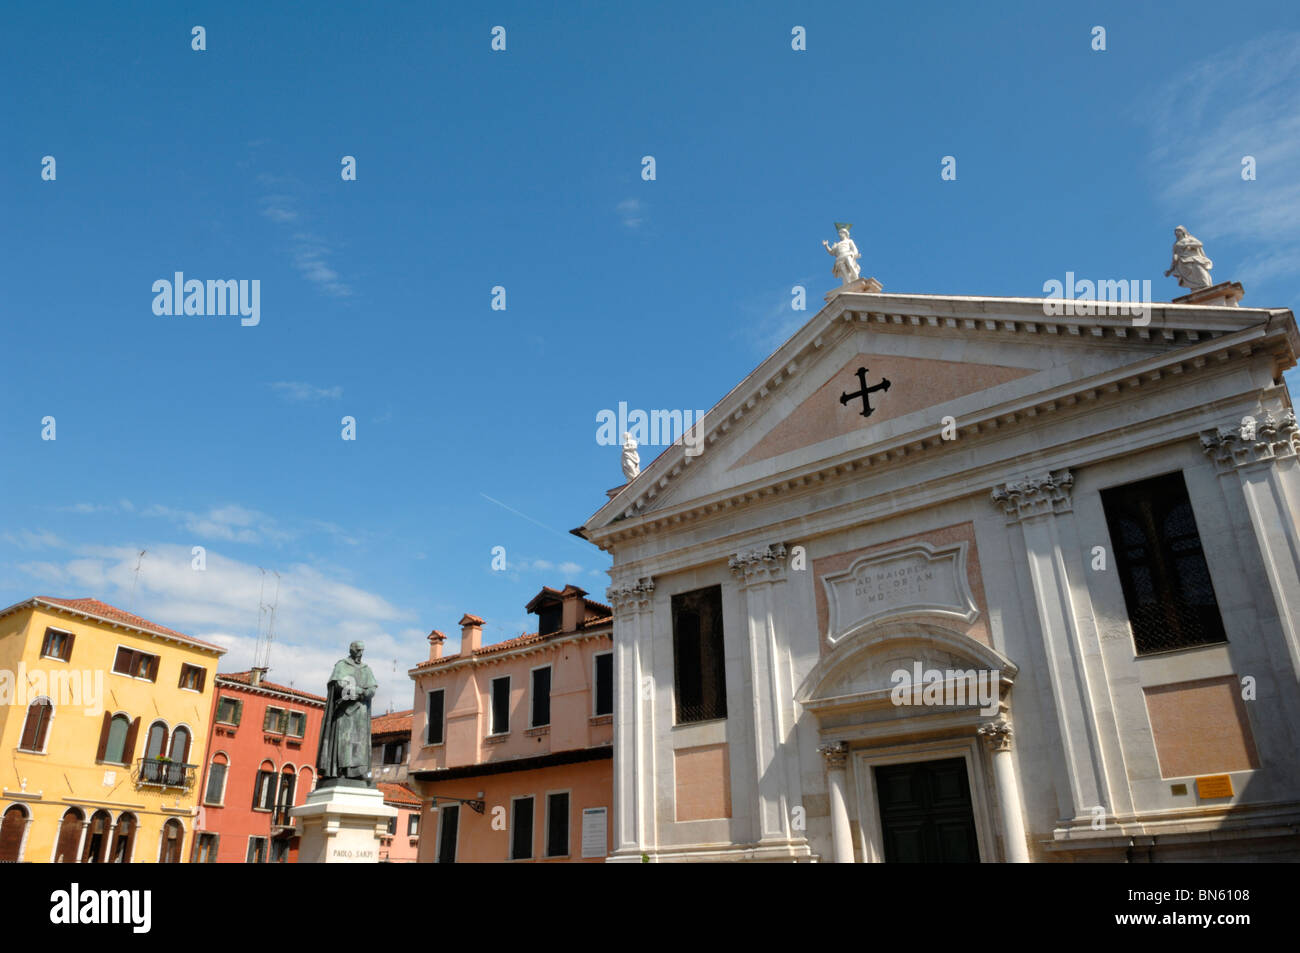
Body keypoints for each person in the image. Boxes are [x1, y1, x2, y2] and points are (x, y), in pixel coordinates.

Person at [317, 640, 378, 784]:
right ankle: (341, 770)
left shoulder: (366, 669)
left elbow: (372, 688)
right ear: (351, 650)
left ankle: (357, 772)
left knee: (360, 743)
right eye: (358, 650)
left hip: (361, 713)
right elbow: (337, 684)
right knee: (344, 741)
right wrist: (355, 690)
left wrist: (364, 693)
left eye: (362, 650)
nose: (360, 653)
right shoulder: (342, 665)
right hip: (345, 710)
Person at [1164, 226, 1213, 291]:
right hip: (1183, 265)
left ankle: (1206, 287)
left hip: (1193, 260)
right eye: (1175, 231)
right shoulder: (1175, 244)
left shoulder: (1189, 239)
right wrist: (1170, 270)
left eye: (1178, 231)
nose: (1176, 232)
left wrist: (1187, 244)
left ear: (1183, 232)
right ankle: (1197, 289)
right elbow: (1174, 257)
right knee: (1192, 280)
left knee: (1201, 272)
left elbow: (1200, 244)